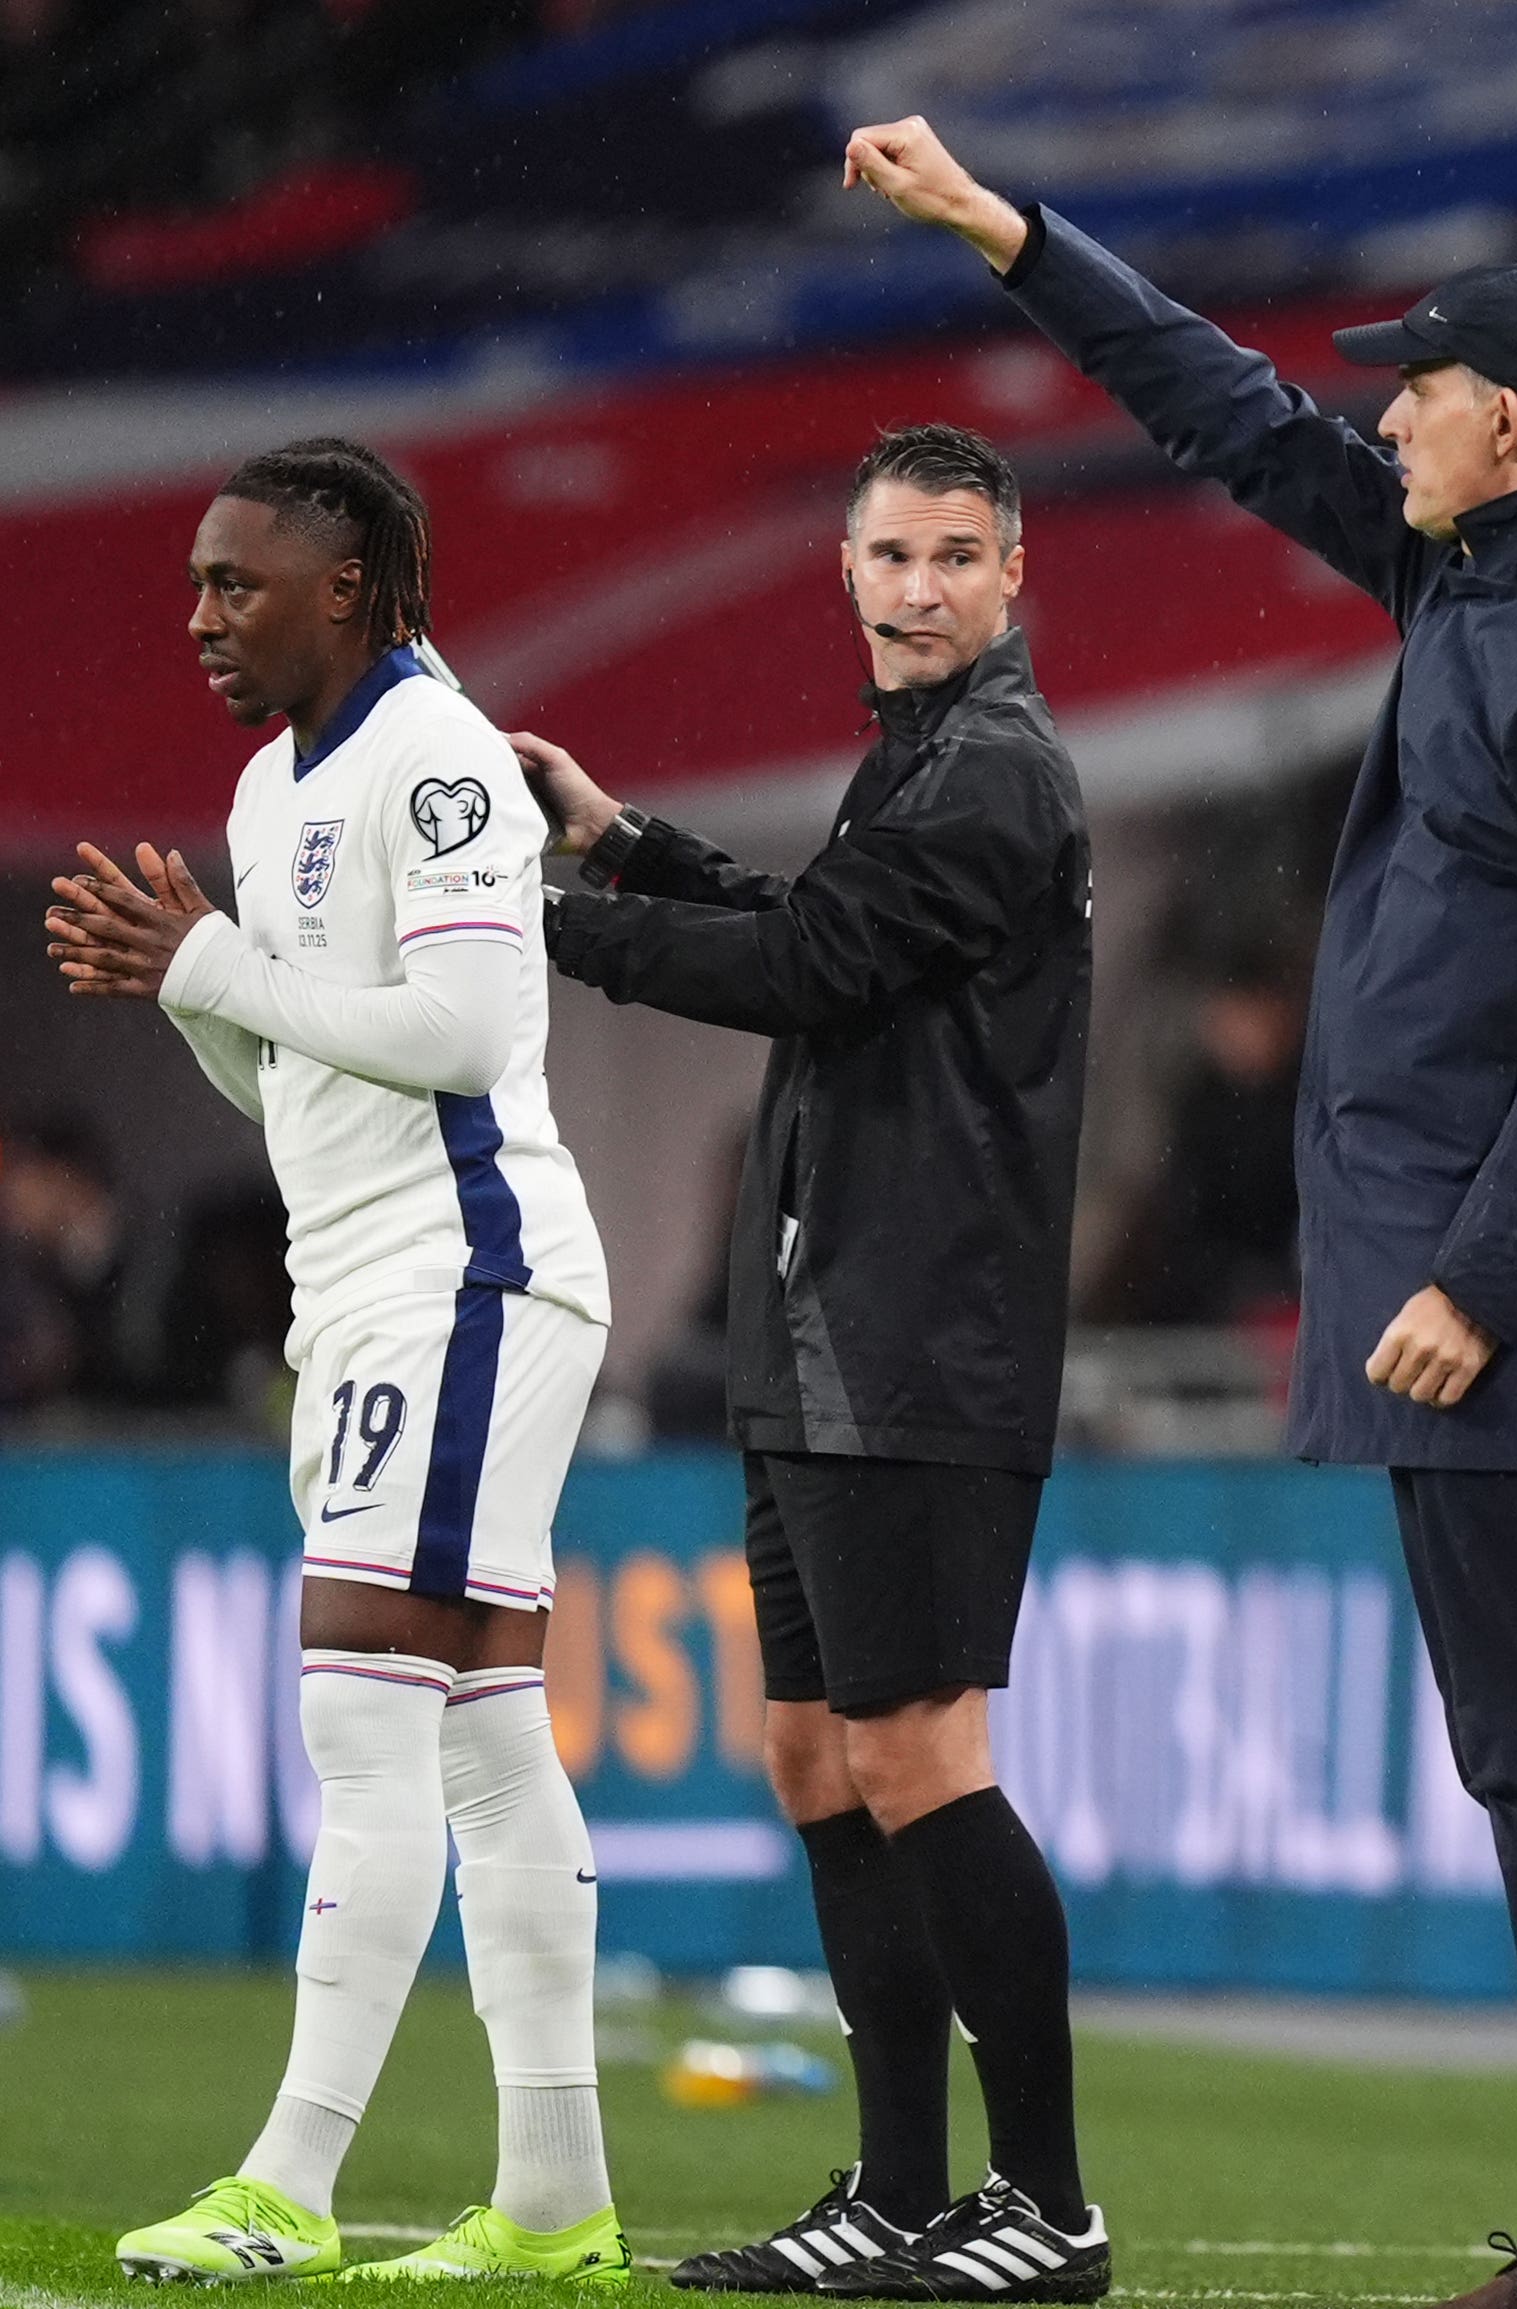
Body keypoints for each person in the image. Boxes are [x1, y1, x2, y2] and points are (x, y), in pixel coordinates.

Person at [844, 118, 1517, 2309]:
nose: (1383, 416)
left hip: (1494, 1295)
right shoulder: (1479, 575)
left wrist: (1477, 1277)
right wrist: (1010, 237)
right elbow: (1229, 413)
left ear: (1508, 422)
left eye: (1417, 389)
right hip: (1430, 1276)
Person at [523, 423, 1105, 2303]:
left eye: (955, 555)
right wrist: (626, 845)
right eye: (891, 556)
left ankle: (1048, 2205)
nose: (920, 587)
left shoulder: (998, 773)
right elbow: (816, 928)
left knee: (921, 1750)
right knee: (815, 1755)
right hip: (826, 1327)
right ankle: (908, 2194)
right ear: (844, 574)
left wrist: (533, 921)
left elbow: (801, 973)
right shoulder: (923, 768)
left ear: (1013, 577)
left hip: (919, 1336)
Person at [48, 438, 623, 2285]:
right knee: (481, 1743)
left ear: (354, 587)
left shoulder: (440, 759)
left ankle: (287, 2183)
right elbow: (300, 1066)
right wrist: (193, 985)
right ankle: (555, 2206)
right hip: (374, 1289)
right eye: (199, 585)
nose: (203, 617)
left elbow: (461, 1030)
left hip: (468, 1276)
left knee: (363, 1721)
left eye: (239, 582)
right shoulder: (264, 781)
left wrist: (217, 962)